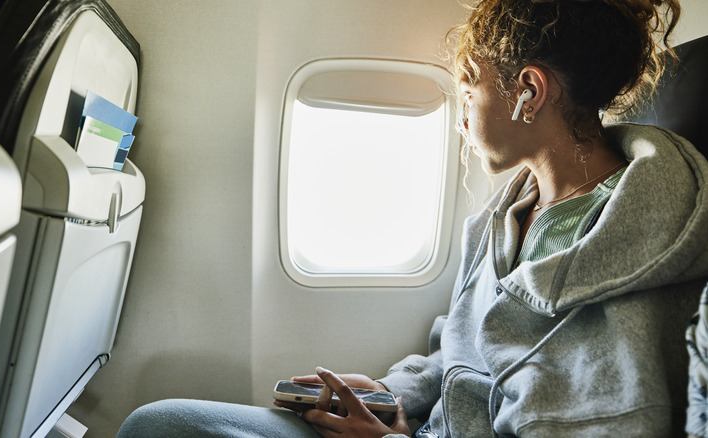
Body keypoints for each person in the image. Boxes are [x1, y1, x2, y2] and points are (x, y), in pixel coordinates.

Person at [117, 0, 708, 436]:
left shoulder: (635, 240)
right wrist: (390, 392)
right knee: (161, 424)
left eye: (469, 90)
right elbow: (462, 348)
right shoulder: (501, 219)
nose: (460, 118)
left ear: (529, 91)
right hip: (417, 426)